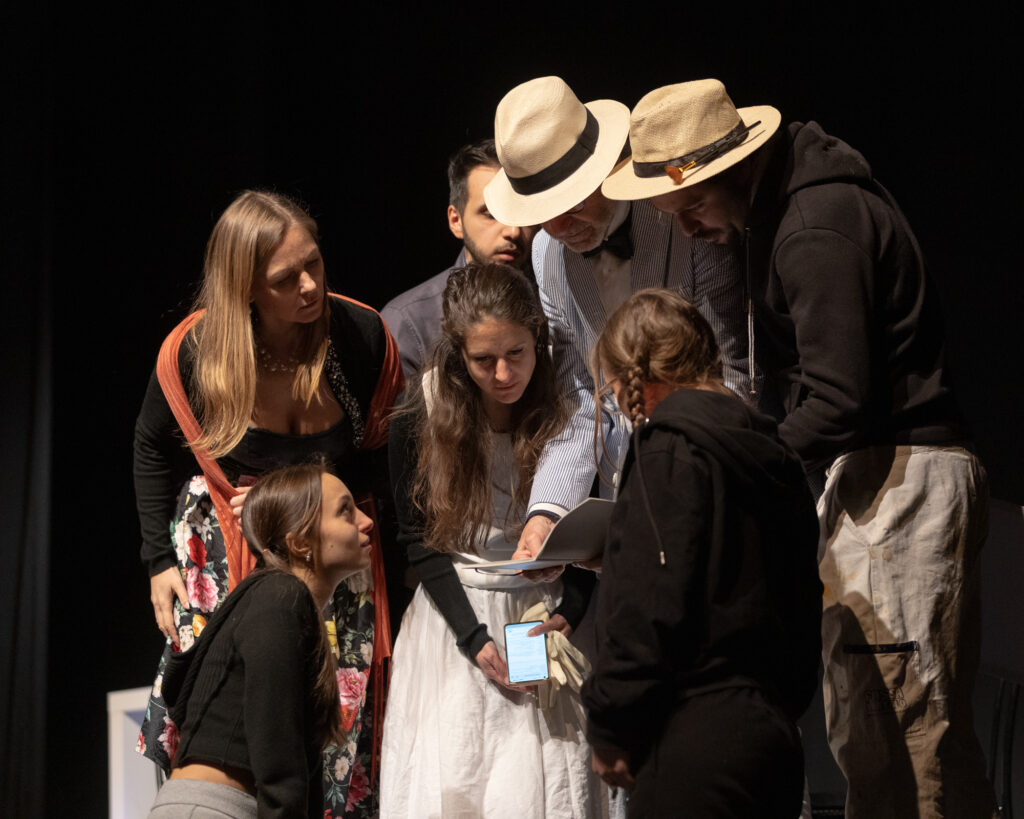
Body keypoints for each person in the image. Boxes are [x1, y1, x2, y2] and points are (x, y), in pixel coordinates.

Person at [602, 79, 995, 818]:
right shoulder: (791, 210)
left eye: (692, 209)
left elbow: (840, 400)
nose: (688, 230)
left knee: (901, 737)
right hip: (882, 473)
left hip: (901, 475)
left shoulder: (813, 226)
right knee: (889, 734)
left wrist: (740, 469)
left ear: (725, 170)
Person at [133, 190, 404, 818]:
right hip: (225, 555)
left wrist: (296, 491)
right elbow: (151, 446)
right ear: (246, 287)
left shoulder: (356, 337)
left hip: (332, 561)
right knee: (227, 726)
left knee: (331, 742)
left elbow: (384, 462)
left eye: (315, 264)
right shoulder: (198, 350)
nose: (310, 287)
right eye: (286, 279)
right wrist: (156, 560)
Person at [480, 76, 746, 560]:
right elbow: (585, 395)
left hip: (718, 482)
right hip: (636, 504)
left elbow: (733, 367)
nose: (558, 228)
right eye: (544, 213)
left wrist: (701, 480)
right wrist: (548, 513)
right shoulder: (546, 256)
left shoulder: (678, 215)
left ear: (601, 169)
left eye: (571, 204)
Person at [581, 288, 822, 817]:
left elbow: (649, 604)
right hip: (774, 744)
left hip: (695, 743)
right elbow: (805, 601)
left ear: (629, 382)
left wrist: (610, 725)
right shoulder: (773, 453)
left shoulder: (668, 445)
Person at [381, 263, 606, 818]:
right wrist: (473, 638)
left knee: (547, 791)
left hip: (542, 611)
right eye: (484, 360)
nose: (504, 373)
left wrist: (570, 612)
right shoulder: (422, 410)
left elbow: (591, 526)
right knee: (460, 783)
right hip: (456, 615)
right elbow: (417, 538)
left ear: (539, 339)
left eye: (518, 354)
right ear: (459, 354)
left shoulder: (566, 406)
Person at [148, 464, 374, 819]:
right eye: (345, 510)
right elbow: (278, 756)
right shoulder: (281, 596)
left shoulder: (275, 598)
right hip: (213, 808)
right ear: (299, 542)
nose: (366, 521)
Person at [381, 138, 537, 380]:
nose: (513, 230)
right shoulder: (409, 323)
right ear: (456, 221)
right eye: (491, 214)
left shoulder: (558, 299)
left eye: (521, 212)